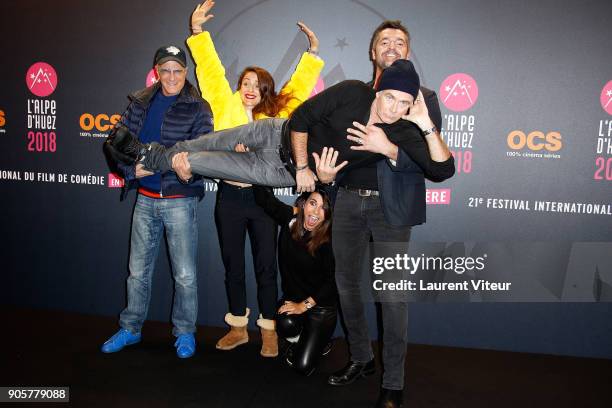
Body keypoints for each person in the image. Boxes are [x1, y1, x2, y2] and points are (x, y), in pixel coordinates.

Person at [325, 21, 453, 408]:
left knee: (392, 296)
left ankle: (393, 380)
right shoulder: (353, 95)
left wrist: (389, 149)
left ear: (408, 52)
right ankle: (361, 359)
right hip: (346, 200)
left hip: (391, 206)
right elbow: (331, 146)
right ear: (372, 52)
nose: (392, 46)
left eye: (400, 42)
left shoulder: (423, 98)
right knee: (346, 286)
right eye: (385, 41)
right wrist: (326, 175)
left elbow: (433, 165)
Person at [186, 0, 324, 358]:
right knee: (233, 264)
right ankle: (237, 328)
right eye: (245, 82)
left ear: (265, 92)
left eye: (257, 85)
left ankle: (268, 331)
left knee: (266, 266)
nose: (250, 88)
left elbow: (298, 91)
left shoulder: (275, 117)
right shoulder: (223, 104)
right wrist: (198, 33)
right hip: (229, 199)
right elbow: (211, 72)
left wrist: (312, 54)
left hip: (262, 199)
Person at [104, 60, 451, 196]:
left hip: (272, 169)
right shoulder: (353, 93)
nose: (395, 109)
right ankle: (146, 153)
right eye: (390, 97)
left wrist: (423, 125)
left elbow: (442, 170)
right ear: (378, 90)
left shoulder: (406, 127)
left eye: (405, 103)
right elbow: (300, 119)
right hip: (270, 132)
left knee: (197, 162)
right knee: (194, 145)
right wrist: (305, 167)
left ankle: (144, 154)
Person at [100, 45, 213, 359]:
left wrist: (187, 169)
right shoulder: (140, 102)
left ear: (185, 72)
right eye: (166, 70)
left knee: (185, 275)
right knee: (137, 271)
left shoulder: (199, 107)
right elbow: (116, 142)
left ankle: (185, 332)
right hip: (145, 200)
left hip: (178, 199)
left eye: (178, 70)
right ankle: (131, 328)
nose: (172, 76)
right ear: (157, 72)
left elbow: (203, 150)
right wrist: (129, 171)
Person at [252, 175, 337, 376]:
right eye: (312, 203)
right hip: (293, 299)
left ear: (328, 215)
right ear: (302, 204)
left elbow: (333, 283)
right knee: (285, 322)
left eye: (323, 208)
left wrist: (303, 306)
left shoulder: (329, 241)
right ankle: (304, 339)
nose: (315, 212)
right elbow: (265, 200)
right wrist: (252, 162)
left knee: (302, 368)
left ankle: (321, 341)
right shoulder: (290, 221)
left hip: (320, 308)